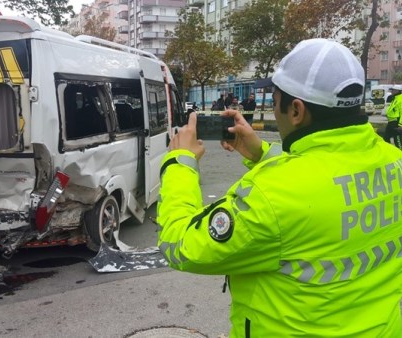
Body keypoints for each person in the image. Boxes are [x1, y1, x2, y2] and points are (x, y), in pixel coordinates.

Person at [157, 38, 402, 336]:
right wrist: (263, 153)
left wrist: (179, 163)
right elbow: (326, 178)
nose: (275, 111)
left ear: (296, 110)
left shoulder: (270, 195)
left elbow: (182, 247)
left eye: (274, 104)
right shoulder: (395, 161)